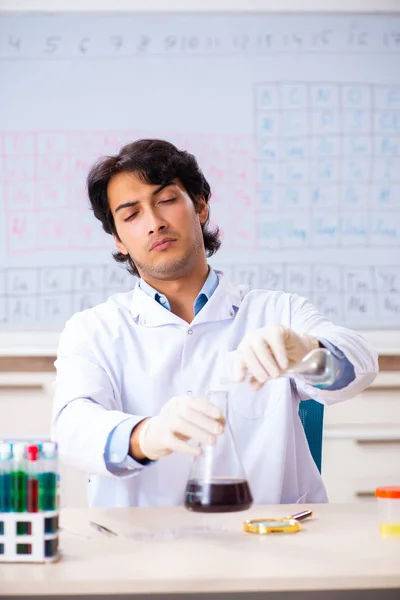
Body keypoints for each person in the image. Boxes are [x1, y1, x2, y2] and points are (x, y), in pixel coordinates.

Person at [52, 139, 378, 508]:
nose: (155, 223)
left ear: (201, 206)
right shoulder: (93, 330)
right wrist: (148, 435)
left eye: (166, 201)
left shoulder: (277, 311)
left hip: (273, 542)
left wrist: (304, 354)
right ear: (118, 240)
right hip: (143, 552)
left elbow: (360, 367)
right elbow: (73, 428)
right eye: (131, 215)